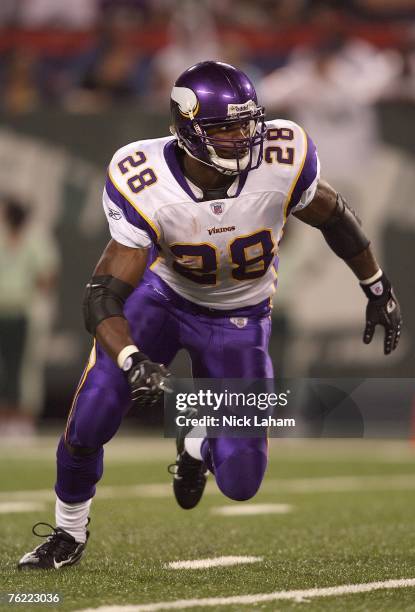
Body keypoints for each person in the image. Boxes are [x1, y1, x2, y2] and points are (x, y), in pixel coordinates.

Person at [18, 60, 401, 570]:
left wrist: (377, 285)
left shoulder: (283, 156)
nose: (244, 138)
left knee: (242, 484)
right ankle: (68, 532)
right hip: (162, 300)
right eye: (226, 128)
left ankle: (196, 441)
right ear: (187, 128)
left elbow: (334, 214)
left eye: (248, 123)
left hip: (239, 317)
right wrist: (132, 359)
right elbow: (101, 297)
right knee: (91, 416)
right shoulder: (146, 178)